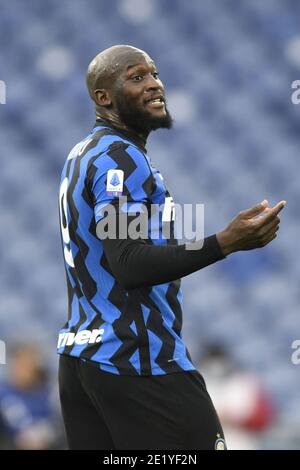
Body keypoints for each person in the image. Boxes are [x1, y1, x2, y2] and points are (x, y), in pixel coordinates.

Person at [57, 44, 286, 450]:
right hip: (137, 359)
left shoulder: (83, 154)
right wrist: (225, 241)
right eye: (137, 77)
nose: (154, 85)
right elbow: (129, 262)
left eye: (155, 74)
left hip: (83, 362)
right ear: (102, 97)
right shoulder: (119, 157)